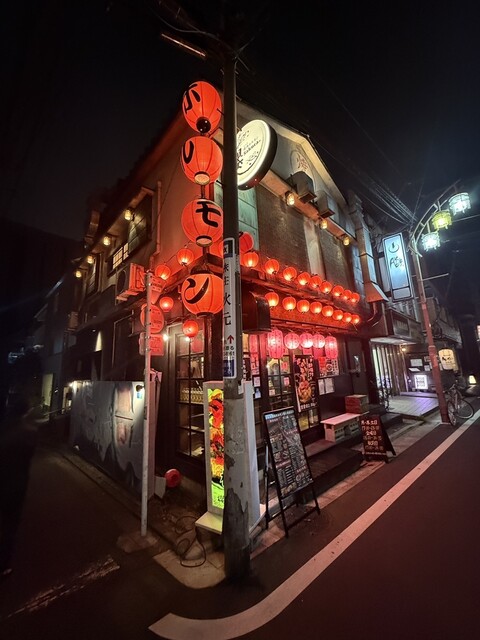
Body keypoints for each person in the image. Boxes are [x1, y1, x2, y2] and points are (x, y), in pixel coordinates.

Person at [0, 394, 39, 578]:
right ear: (26, 411)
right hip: (16, 485)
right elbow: (28, 456)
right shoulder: (29, 432)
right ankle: (3, 564)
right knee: (9, 526)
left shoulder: (3, 427)